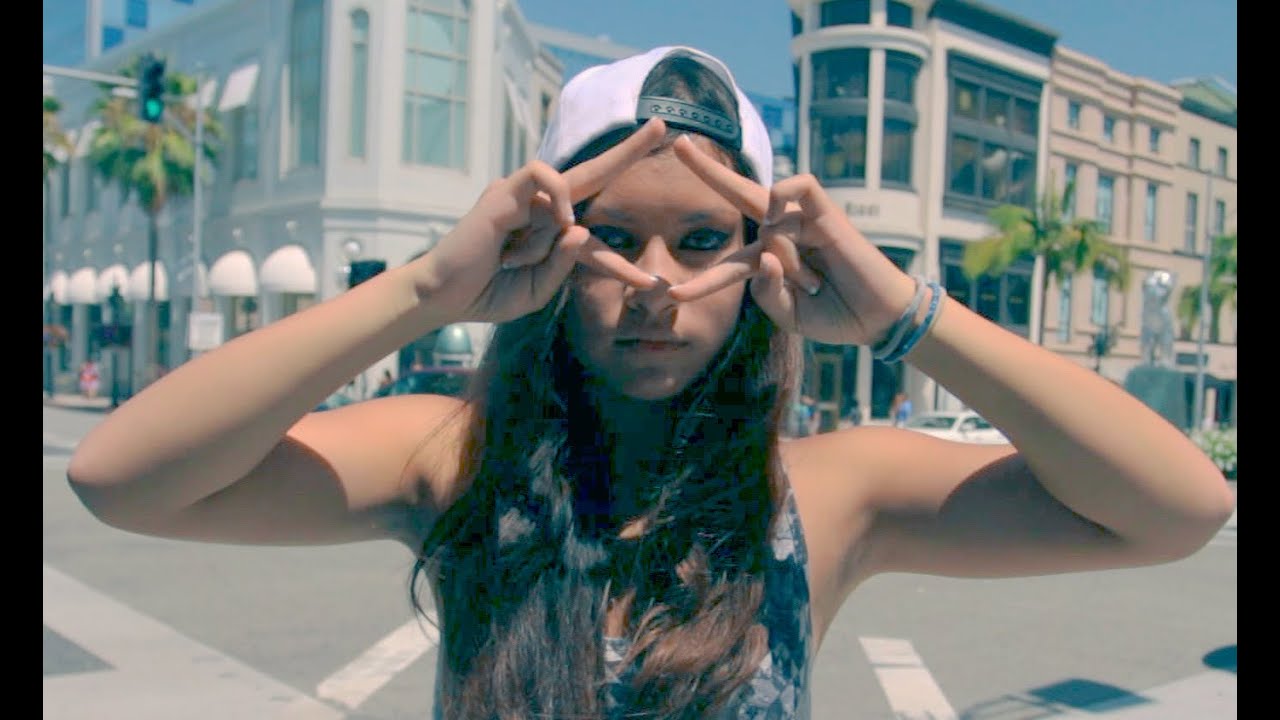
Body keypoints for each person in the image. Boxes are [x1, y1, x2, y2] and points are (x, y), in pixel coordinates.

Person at [65, 46, 1234, 719]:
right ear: (545, 246)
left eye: (702, 241)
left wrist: (896, 315)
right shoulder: (452, 458)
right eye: (613, 237)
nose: (654, 284)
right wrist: (423, 289)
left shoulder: (826, 494)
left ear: (761, 260)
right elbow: (121, 478)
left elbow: (1176, 510)